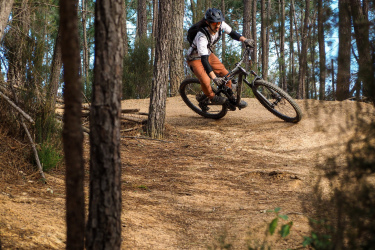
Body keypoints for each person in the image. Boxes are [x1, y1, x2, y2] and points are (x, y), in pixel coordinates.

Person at [186, 8, 254, 108]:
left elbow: (233, 33)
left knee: (226, 75)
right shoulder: (202, 36)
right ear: (207, 23)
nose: (217, 25)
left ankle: (231, 99)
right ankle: (212, 98)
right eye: (214, 23)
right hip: (195, 58)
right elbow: (204, 61)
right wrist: (214, 78)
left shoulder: (221, 25)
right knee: (205, 80)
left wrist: (245, 40)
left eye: (219, 22)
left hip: (207, 54)